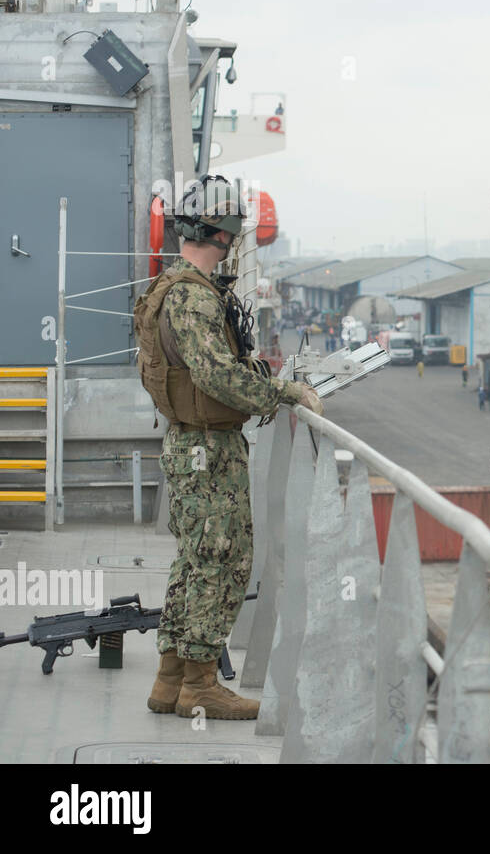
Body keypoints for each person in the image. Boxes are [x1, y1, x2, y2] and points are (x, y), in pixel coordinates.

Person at [134, 175, 323, 722]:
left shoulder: (172, 287)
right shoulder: (193, 297)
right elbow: (215, 375)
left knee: (196, 562)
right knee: (226, 563)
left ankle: (171, 682)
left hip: (190, 443)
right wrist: (283, 390)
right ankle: (200, 686)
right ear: (220, 234)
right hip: (207, 449)